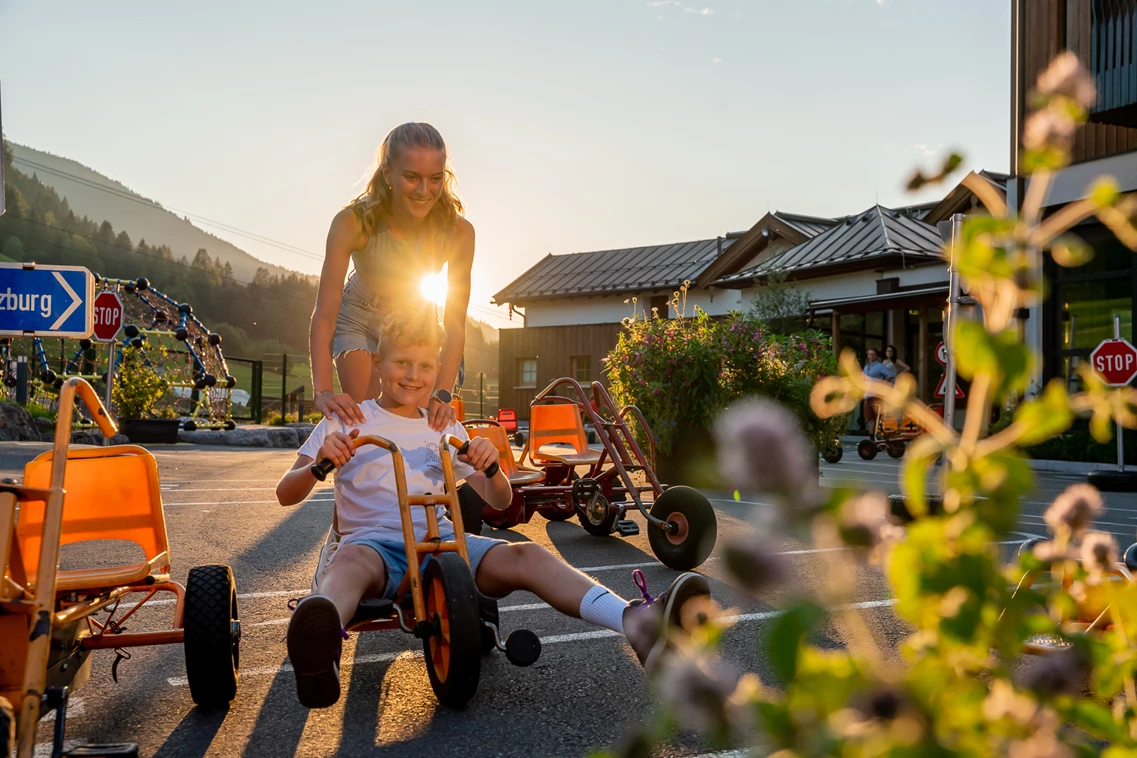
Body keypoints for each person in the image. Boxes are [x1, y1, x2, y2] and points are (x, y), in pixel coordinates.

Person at [277, 310, 711, 709]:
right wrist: (321, 465)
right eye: (401, 362)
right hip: (372, 546)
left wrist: (492, 465)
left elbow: (501, 501)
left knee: (527, 554)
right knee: (350, 560)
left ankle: (638, 624)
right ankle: (322, 648)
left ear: (437, 371)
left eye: (425, 365)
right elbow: (285, 493)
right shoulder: (347, 418)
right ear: (377, 363)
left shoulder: (444, 425)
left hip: (443, 545)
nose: (413, 376)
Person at [309, 122, 474, 432]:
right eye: (412, 177)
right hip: (359, 316)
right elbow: (325, 313)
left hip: (417, 322)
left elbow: (454, 323)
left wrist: (442, 394)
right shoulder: (352, 223)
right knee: (370, 422)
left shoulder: (459, 233)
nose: (425, 191)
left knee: (418, 424)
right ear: (387, 174)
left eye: (435, 179)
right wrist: (323, 392)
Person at [862, 347, 896, 434]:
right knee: (869, 418)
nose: (871, 356)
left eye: (873, 354)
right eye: (870, 354)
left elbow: (890, 375)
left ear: (876, 356)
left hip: (876, 395)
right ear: (867, 356)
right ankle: (871, 437)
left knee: (877, 417)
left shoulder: (880, 366)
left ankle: (879, 437)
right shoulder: (866, 367)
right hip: (867, 395)